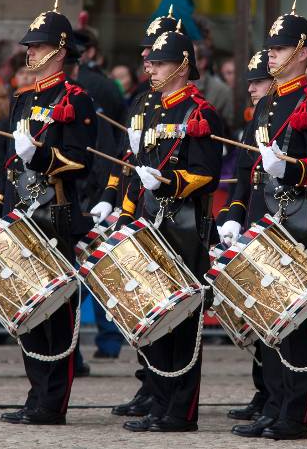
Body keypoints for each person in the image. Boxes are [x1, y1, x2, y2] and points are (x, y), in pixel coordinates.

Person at [220, 4, 307, 440]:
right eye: (269, 49)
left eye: (280, 48)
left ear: (302, 52)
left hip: (301, 225)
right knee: (269, 322)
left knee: (298, 324)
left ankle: (295, 414)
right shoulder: (268, 104)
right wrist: (241, 218)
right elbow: (255, 173)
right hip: (267, 222)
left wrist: (288, 170)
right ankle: (272, 405)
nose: (270, 55)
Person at [0, 1, 96, 426]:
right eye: (30, 46)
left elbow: (80, 161)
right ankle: (35, 394)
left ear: (59, 50)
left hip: (57, 213)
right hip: (22, 213)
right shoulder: (22, 98)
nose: (31, 53)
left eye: (40, 45)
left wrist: (43, 155)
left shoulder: (76, 100)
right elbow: (13, 165)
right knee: (27, 309)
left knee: (57, 314)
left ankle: (53, 402)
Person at [116, 25, 223, 434]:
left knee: (183, 321)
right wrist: (127, 216)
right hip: (151, 223)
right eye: (149, 62)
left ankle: (180, 411)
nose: (150, 69)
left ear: (182, 66)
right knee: (157, 319)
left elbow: (207, 174)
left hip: (185, 228)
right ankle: (159, 403)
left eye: (158, 63)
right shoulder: (154, 110)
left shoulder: (200, 113)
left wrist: (170, 182)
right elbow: (136, 171)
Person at [89, 8, 181, 420]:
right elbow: (127, 158)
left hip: (164, 211)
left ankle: (163, 389)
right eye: (145, 54)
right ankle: (148, 382)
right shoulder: (143, 100)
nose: (146, 60)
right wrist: (112, 196)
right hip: (134, 206)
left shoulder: (172, 103)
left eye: (153, 54)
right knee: (138, 300)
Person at [218, 48, 273, 422]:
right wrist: (233, 215)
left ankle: (276, 396)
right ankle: (263, 391)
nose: (251, 88)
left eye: (259, 81)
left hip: (279, 222)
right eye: (250, 82)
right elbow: (243, 174)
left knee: (276, 313)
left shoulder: (289, 111)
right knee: (258, 315)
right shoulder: (256, 119)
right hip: (253, 220)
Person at [193, 39, 234, 131]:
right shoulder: (176, 85)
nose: (184, 61)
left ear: (202, 62)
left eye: (190, 57)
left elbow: (228, 128)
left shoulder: (221, 91)